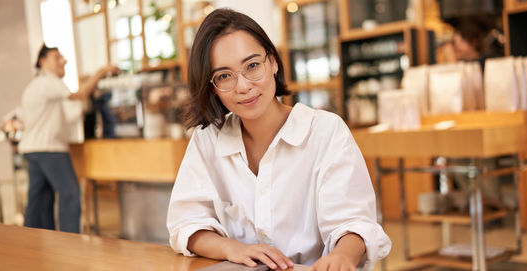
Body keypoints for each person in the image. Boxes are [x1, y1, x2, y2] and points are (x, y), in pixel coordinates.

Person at [166, 8, 391, 271]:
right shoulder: (207, 140)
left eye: (252, 66)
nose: (243, 86)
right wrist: (233, 248)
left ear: (272, 62)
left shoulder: (325, 131)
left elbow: (355, 223)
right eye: (224, 76)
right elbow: (186, 224)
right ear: (212, 86)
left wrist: (343, 256)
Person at [19, 44, 118, 233]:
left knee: (39, 199)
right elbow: (79, 95)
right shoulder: (50, 82)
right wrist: (101, 72)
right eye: (57, 57)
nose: (63, 61)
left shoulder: (34, 86)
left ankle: (30, 239)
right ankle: (69, 242)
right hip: (50, 149)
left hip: (32, 149)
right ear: (43, 62)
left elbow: (66, 114)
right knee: (70, 194)